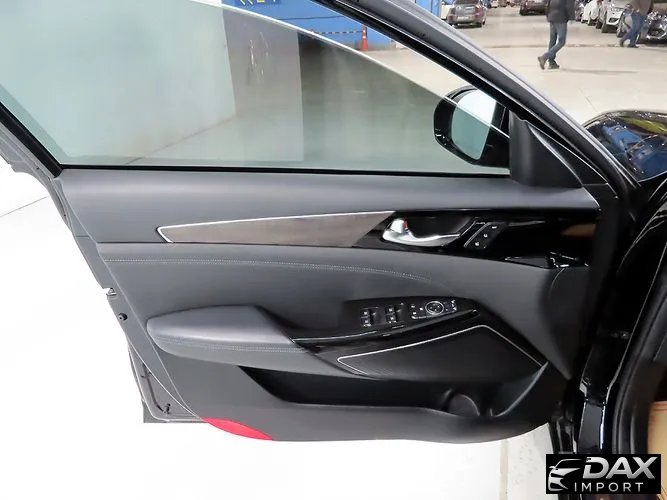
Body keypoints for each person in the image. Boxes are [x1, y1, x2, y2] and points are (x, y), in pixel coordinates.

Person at [537, 0, 576, 70]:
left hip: (552, 17)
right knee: (562, 41)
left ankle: (551, 63)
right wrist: (571, 17)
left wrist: (548, 16)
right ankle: (544, 57)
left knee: (552, 40)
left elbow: (548, 4)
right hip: (561, 18)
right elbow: (569, 5)